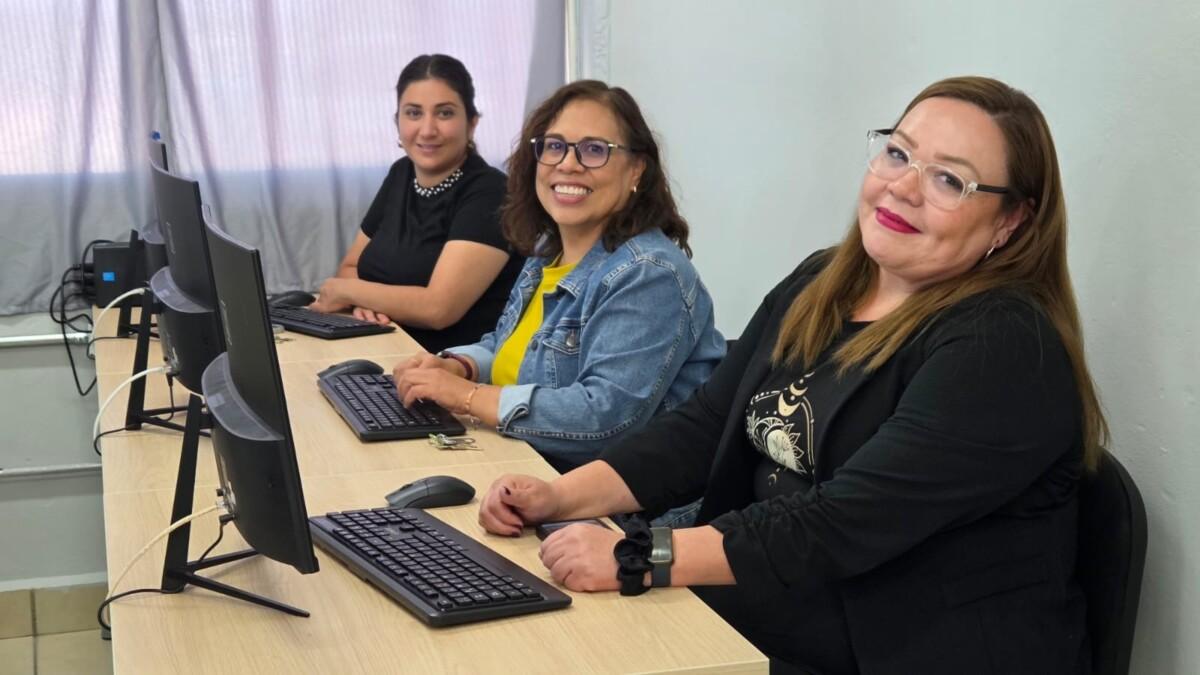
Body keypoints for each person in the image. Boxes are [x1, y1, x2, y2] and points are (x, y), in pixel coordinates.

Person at [476, 76, 1108, 674]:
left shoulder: (1004, 343)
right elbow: (704, 427)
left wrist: (641, 556)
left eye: (949, 180)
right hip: (768, 613)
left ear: (1012, 220)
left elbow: (843, 521)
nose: (903, 188)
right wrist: (560, 498)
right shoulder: (823, 280)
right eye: (898, 155)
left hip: (896, 649)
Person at [393, 80, 726, 486]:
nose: (568, 164)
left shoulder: (648, 274)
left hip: (610, 518)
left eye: (594, 150)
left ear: (637, 169)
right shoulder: (548, 255)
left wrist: (465, 397)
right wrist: (457, 365)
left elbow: (602, 419)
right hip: (524, 466)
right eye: (554, 146)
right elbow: (506, 345)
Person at [308, 54, 522, 354]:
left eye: (445, 113)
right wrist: (365, 301)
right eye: (413, 113)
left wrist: (350, 292)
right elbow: (350, 266)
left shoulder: (492, 193)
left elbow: (438, 309)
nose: (427, 129)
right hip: (383, 346)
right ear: (398, 121)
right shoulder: (402, 173)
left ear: (471, 123)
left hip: (451, 369)